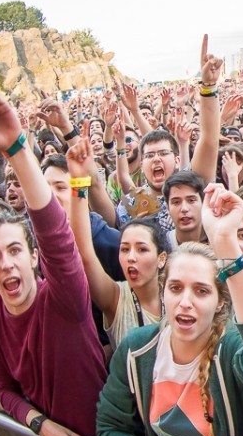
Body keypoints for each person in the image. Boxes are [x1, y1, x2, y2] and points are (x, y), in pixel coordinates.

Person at [96, 185, 243, 436]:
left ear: (219, 302)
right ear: (163, 292)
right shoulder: (137, 349)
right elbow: (110, 427)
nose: (185, 302)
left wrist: (227, 247)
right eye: (175, 288)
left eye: (201, 291)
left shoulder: (231, 348)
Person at [0, 75, 107, 436]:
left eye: (14, 251)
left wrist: (18, 149)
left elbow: (55, 233)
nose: (5, 263)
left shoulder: (64, 299)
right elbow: (5, 389)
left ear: (32, 258)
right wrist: (41, 426)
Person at [68, 136, 170, 349]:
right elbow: (85, 254)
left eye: (142, 249)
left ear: (162, 258)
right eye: (124, 249)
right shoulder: (116, 298)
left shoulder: (178, 295)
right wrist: (79, 184)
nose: (131, 256)